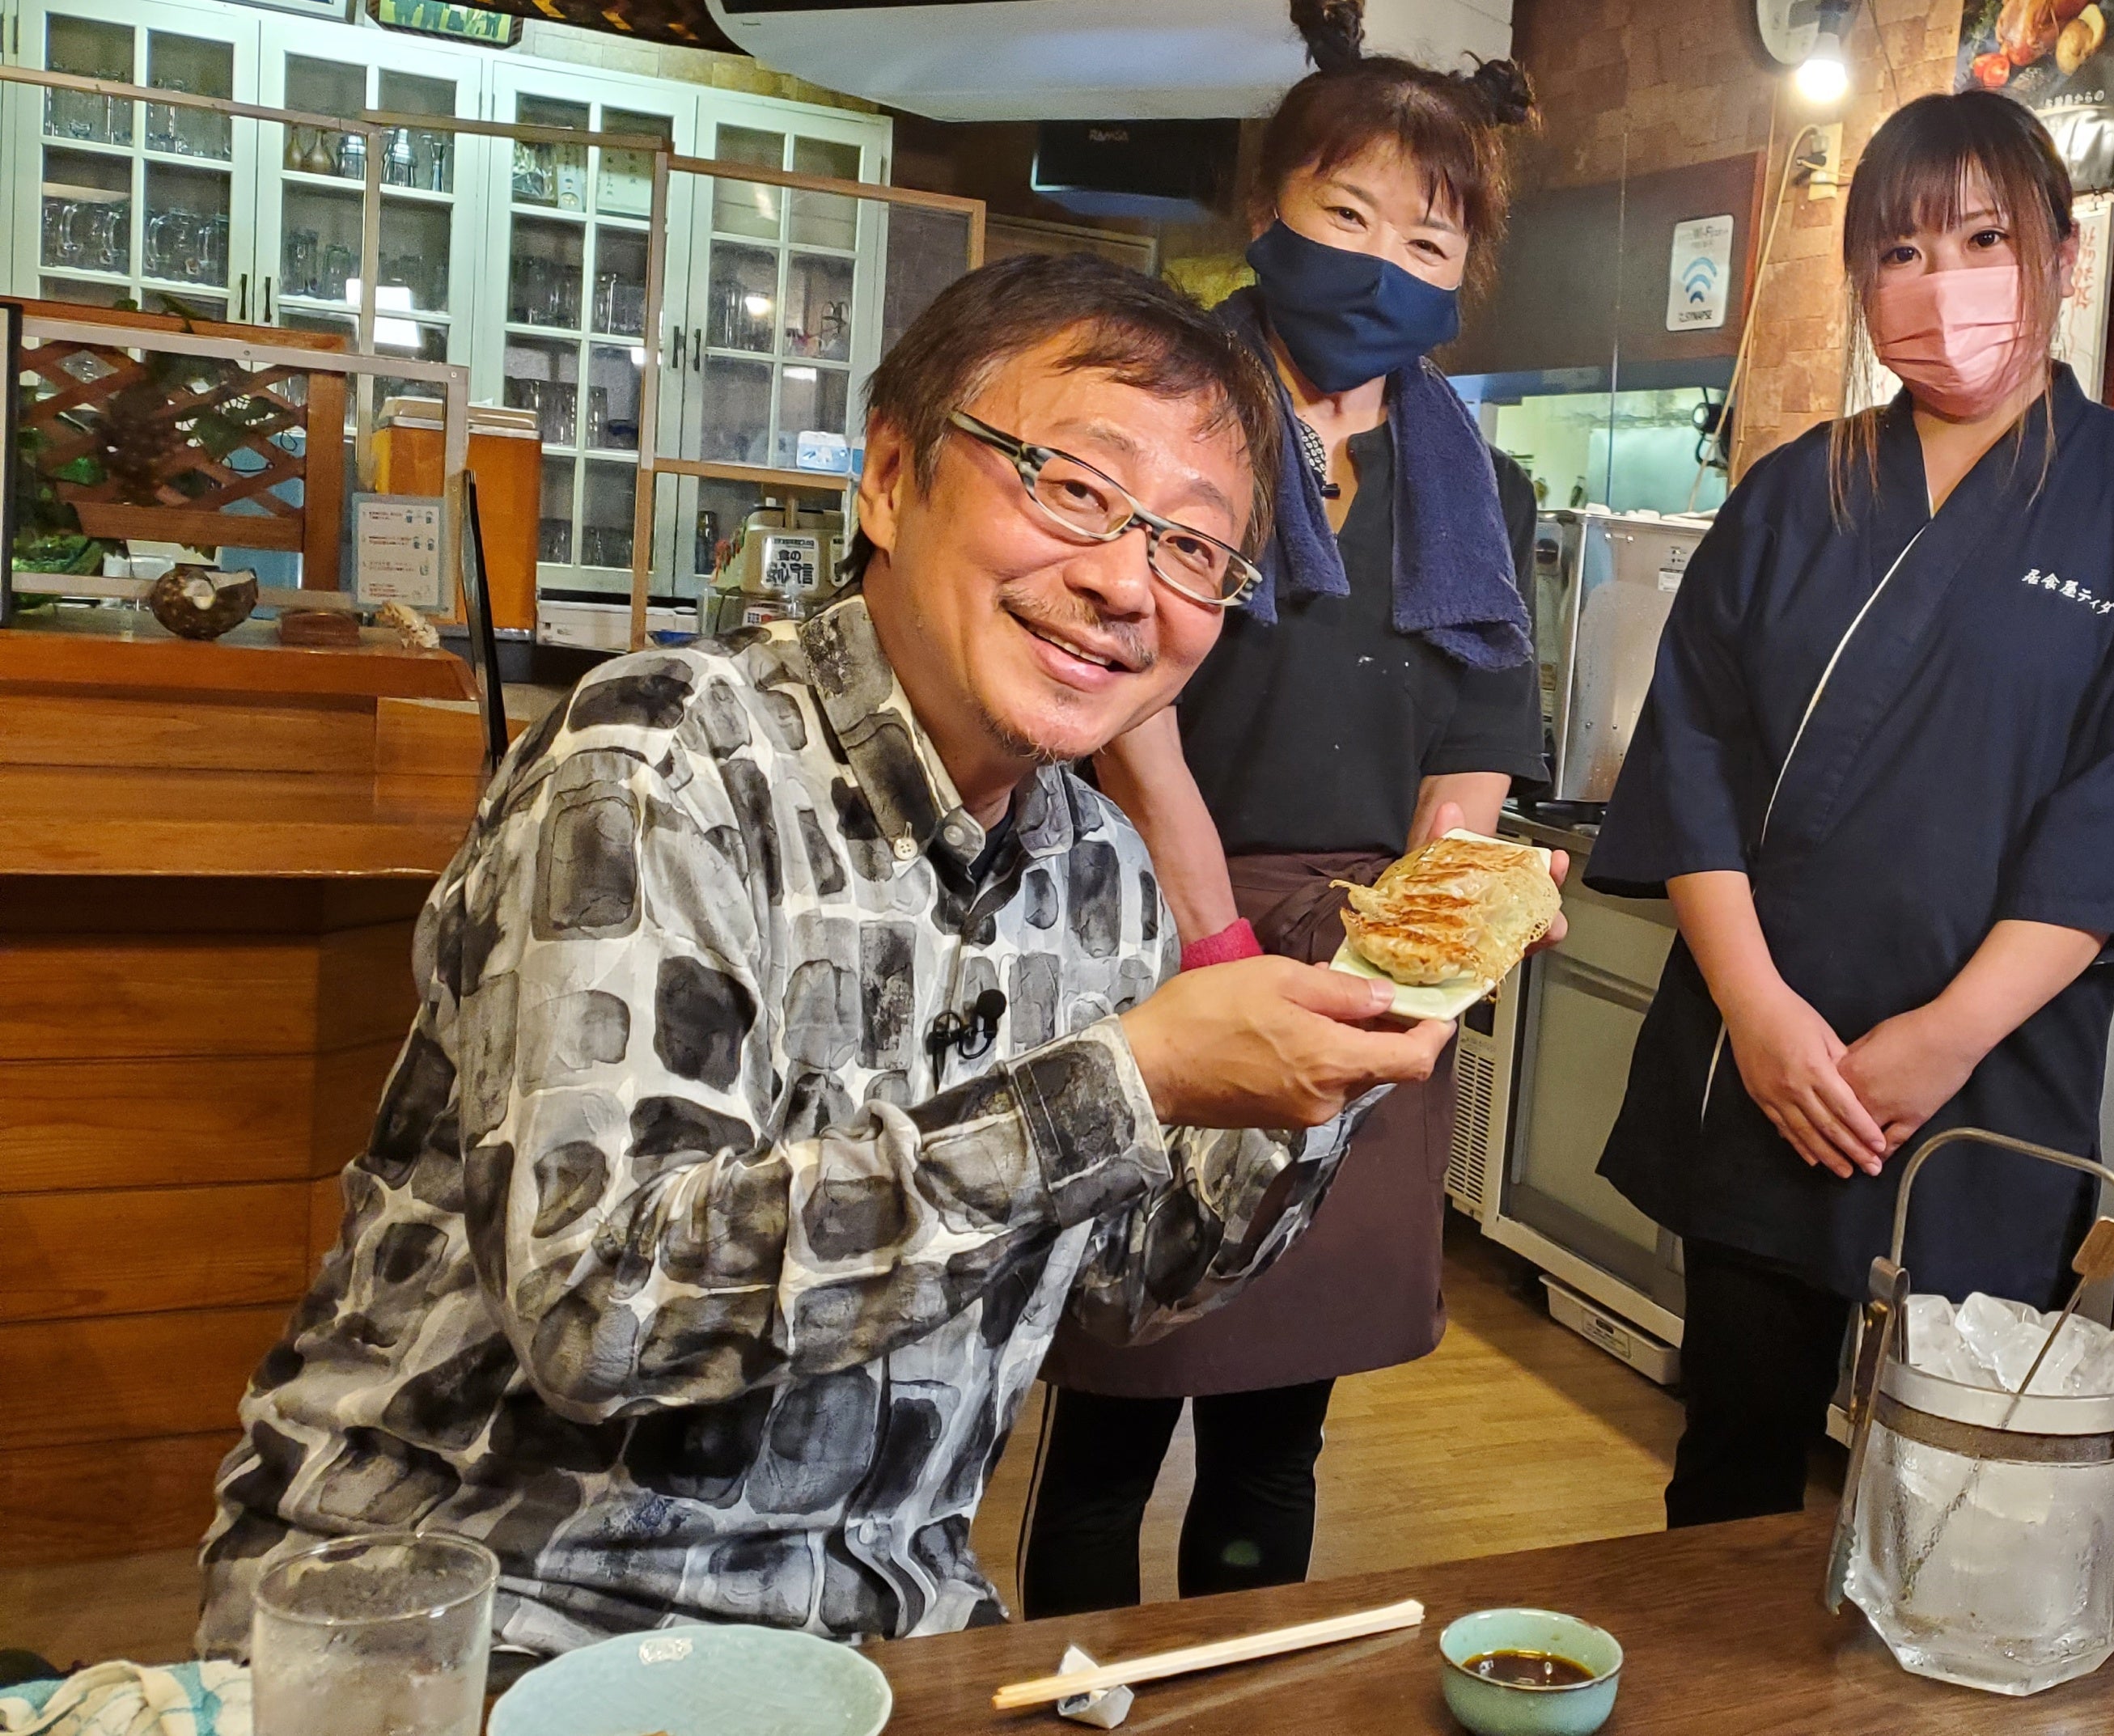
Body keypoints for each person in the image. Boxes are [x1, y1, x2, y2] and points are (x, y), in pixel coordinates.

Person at [195, 254, 1459, 1663]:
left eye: (1193, 548)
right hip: (492, 1607)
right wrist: (1127, 1076)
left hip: (877, 1631)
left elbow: (1127, 1282)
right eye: (1075, 489)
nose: (1122, 581)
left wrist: (1345, 1051)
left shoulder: (1097, 870)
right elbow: (601, 1308)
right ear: (892, 475)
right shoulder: (658, 767)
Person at [1586, 91, 2114, 1527]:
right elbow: (1689, 756)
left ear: (2063, 258)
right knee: (1731, 1478)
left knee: (1950, 1498)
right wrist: (1761, 1018)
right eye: (1899, 250)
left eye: (1982, 237)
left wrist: (1945, 1039)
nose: (1940, 283)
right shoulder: (1787, 496)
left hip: (1985, 1087)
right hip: (1769, 1071)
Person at [1019, 0, 1547, 1615]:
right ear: (1267, 208)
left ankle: (1249, 1702)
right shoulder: (1178, 427)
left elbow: (1472, 752)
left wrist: (1422, 968)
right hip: (1154, 927)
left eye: (1432, 240)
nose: (1387, 262)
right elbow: (1129, 708)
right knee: (1115, 1400)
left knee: (1278, 1426)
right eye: (1348, 212)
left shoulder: (1476, 480)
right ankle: (1070, 1703)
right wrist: (1216, 936)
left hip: (1362, 956)